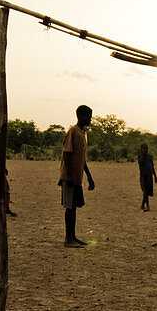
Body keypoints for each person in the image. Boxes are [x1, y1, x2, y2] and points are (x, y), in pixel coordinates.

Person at [59, 105, 95, 247]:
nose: (90, 119)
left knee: (74, 207)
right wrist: (67, 176)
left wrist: (89, 177)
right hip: (69, 178)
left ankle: (73, 237)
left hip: (77, 178)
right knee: (69, 208)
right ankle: (68, 239)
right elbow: (66, 154)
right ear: (81, 116)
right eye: (89, 116)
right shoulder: (72, 131)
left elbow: (82, 159)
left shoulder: (83, 133)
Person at [137, 143, 157, 211]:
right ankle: (148, 206)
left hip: (149, 176)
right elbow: (140, 163)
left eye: (147, 149)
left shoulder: (149, 157)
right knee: (145, 191)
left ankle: (143, 205)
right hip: (143, 176)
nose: (146, 150)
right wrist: (143, 155)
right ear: (141, 150)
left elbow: (152, 167)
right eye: (144, 149)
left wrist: (155, 176)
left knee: (148, 192)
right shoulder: (140, 157)